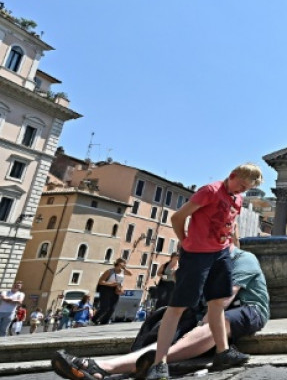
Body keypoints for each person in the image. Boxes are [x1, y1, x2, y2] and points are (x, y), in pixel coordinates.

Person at [52, 246, 270, 380]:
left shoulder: (243, 259)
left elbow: (222, 300)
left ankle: (107, 366)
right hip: (204, 315)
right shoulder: (201, 264)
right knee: (175, 333)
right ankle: (104, 370)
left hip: (246, 309)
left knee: (215, 322)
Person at [146, 163, 262, 380]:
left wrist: (231, 245)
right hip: (197, 254)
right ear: (232, 175)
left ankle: (223, 352)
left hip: (221, 254)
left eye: (247, 189)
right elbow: (178, 217)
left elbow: (231, 224)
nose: (241, 191)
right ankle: (159, 362)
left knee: (217, 303)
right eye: (241, 185)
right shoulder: (210, 191)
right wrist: (186, 243)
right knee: (178, 307)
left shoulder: (237, 198)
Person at [92, 258, 131, 325]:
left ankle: (104, 322)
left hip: (116, 289)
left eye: (125, 263)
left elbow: (130, 274)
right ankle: (94, 320)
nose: (124, 264)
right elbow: (101, 282)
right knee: (105, 307)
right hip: (106, 289)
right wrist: (110, 284)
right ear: (118, 263)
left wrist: (124, 268)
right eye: (123, 263)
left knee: (112, 308)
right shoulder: (109, 271)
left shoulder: (122, 271)